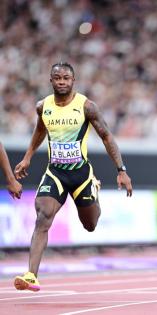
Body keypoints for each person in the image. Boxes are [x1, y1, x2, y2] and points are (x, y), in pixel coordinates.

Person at [13, 62, 133, 292]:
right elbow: (40, 130)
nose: (61, 82)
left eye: (66, 78)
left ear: (73, 81)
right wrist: (27, 157)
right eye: (57, 78)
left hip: (81, 176)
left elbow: (107, 137)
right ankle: (31, 275)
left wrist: (121, 170)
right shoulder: (43, 106)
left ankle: (93, 191)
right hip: (55, 172)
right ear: (51, 81)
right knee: (42, 217)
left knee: (90, 225)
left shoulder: (86, 106)